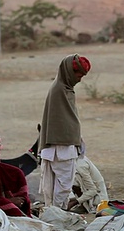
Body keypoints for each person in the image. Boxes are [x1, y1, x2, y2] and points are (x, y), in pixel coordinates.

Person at [38, 54, 91, 210]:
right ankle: (57, 214)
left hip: (59, 146)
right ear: (69, 72)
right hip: (61, 148)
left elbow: (68, 121)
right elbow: (64, 123)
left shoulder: (63, 88)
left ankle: (54, 214)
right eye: (78, 75)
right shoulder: (60, 90)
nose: (80, 79)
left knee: (56, 187)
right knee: (63, 186)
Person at [66, 145, 108, 214]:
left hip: (98, 201)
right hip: (88, 196)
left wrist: (74, 202)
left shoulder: (80, 165)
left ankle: (83, 205)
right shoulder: (73, 161)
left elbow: (93, 190)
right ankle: (83, 205)